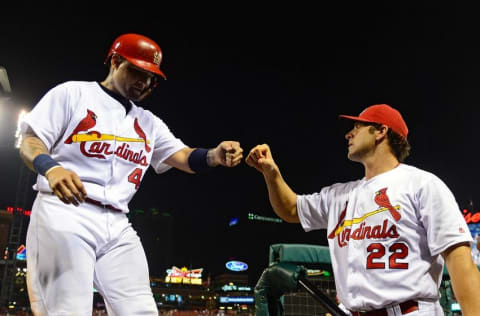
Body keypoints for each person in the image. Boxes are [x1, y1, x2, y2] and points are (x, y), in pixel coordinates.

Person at [19, 33, 243, 316]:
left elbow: (184, 157)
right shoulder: (72, 94)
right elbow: (30, 141)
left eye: (152, 77)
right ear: (115, 61)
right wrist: (50, 167)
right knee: (67, 310)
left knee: (141, 310)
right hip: (64, 211)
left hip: (117, 222)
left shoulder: (147, 122)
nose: (145, 82)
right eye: (138, 71)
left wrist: (215, 155)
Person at [246, 104, 480, 315]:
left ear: (381, 131)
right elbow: (291, 210)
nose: (349, 133)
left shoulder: (422, 184)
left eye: (358, 127)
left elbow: (460, 262)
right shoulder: (339, 195)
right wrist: (271, 173)